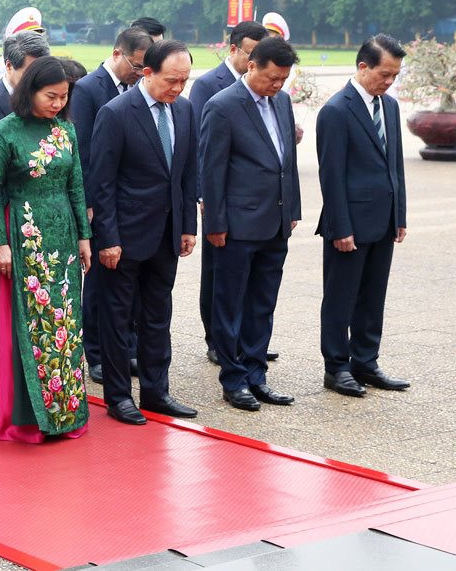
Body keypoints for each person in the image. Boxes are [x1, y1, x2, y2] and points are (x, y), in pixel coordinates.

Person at [90, 40, 198, 425]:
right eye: (172, 80)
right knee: (118, 320)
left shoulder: (184, 111)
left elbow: (187, 174)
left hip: (166, 235)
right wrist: (108, 238)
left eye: (184, 80)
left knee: (158, 317)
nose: (178, 89)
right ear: (146, 72)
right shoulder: (116, 113)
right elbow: (101, 183)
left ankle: (156, 391)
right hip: (125, 237)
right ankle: (119, 396)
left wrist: (188, 226)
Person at [0, 57, 91, 441]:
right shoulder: (5, 132)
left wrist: (84, 236)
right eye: (51, 96)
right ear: (29, 90)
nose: (58, 104)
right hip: (25, 235)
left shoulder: (66, 131)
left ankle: (66, 415)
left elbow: (76, 185)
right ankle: (28, 420)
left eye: (64, 97)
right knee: (31, 323)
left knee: (67, 323)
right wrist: (0, 243)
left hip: (63, 235)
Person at [199, 36, 302, 411]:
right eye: (272, 78)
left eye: (283, 79)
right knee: (230, 305)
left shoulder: (283, 102)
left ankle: (257, 375)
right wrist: (215, 222)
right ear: (252, 65)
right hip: (237, 226)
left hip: (275, 222)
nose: (277, 85)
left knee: (263, 303)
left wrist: (292, 210)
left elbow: (285, 161)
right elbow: (212, 170)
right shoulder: (223, 106)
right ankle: (234, 379)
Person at [316, 34, 409, 397]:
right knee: (341, 297)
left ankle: (366, 362)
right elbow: (331, 175)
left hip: (382, 220)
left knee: (373, 296)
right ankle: (337, 367)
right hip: (349, 225)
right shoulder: (337, 110)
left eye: (395, 76)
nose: (389, 82)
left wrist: (399, 214)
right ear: (362, 66)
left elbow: (395, 165)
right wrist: (340, 226)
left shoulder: (390, 106)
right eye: (384, 74)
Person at [0, 31, 51, 405]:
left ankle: (33, 367)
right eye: (31, 72)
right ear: (10, 66)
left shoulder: (50, 103)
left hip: (40, 216)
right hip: (1, 216)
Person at [70, 27, 153, 383]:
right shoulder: (89, 88)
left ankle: (128, 348)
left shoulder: (139, 87)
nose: (139, 74)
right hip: (100, 201)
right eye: (136, 66)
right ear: (118, 54)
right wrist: (89, 203)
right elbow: (85, 151)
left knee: (129, 286)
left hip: (131, 203)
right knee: (100, 284)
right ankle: (98, 354)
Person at [189, 21, 268, 364]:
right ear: (233, 49)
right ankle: (216, 338)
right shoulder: (209, 85)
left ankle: (245, 337)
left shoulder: (267, 87)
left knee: (252, 275)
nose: (256, 62)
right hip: (219, 197)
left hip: (256, 203)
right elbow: (200, 146)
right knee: (217, 272)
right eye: (252, 54)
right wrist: (203, 195)